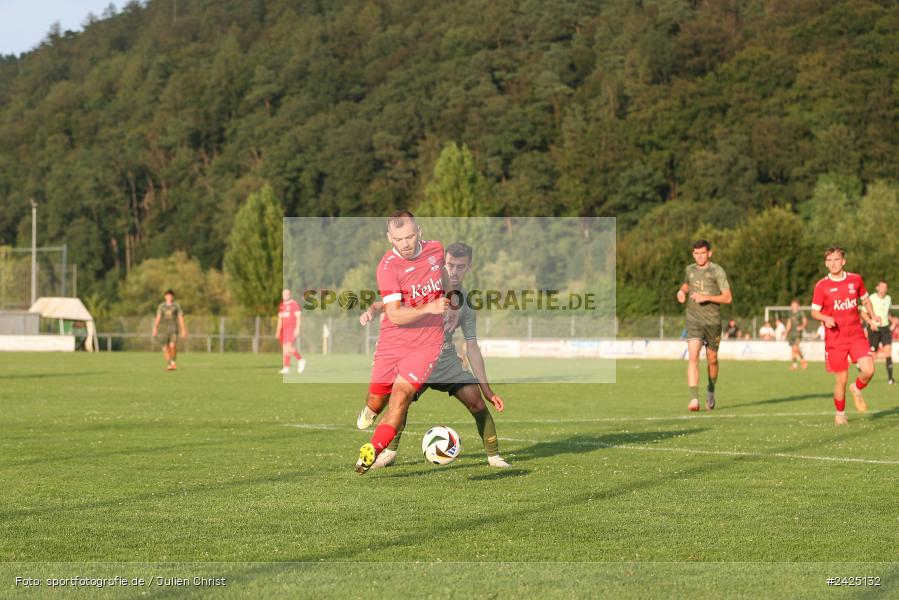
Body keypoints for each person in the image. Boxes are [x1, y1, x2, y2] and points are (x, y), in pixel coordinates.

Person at [358, 242, 510, 468]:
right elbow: (391, 303)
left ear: (469, 267)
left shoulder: (466, 304)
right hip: (416, 356)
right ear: (442, 262)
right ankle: (388, 452)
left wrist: (487, 389)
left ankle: (494, 456)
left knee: (476, 401)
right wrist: (372, 309)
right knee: (400, 400)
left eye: (460, 266)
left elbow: (473, 347)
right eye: (449, 265)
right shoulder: (426, 282)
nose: (454, 271)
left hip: (446, 361)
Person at [355, 211, 448, 474]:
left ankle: (372, 451)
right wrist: (430, 307)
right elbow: (395, 314)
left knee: (401, 395)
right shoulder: (387, 267)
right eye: (398, 239)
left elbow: (444, 277)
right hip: (393, 342)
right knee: (377, 399)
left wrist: (451, 299)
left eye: (409, 236)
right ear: (389, 238)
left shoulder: (436, 250)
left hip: (427, 343)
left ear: (419, 230)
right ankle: (371, 411)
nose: (405, 243)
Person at [809, 246, 880, 426]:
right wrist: (825, 317)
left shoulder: (855, 280)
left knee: (869, 370)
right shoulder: (821, 286)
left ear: (843, 261)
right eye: (830, 260)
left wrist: (872, 315)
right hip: (835, 339)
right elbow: (814, 312)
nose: (833, 263)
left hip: (856, 334)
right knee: (841, 380)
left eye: (836, 259)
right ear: (826, 264)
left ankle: (856, 388)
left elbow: (864, 299)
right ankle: (840, 414)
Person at [676, 240, 732, 411]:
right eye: (696, 253)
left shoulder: (717, 271)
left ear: (709, 253)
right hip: (693, 320)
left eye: (702, 253)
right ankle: (694, 399)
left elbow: (728, 298)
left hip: (713, 322)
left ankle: (711, 389)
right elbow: (687, 284)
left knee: (712, 360)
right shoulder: (689, 270)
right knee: (692, 356)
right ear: (693, 254)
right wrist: (682, 291)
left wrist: (706, 297)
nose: (699, 256)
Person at [860, 280, 893, 384]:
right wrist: (871, 323)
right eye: (882, 287)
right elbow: (863, 313)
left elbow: (888, 313)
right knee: (873, 354)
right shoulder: (871, 298)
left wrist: (892, 319)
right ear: (877, 288)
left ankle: (890, 379)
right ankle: (864, 370)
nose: (883, 289)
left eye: (885, 287)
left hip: (885, 328)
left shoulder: (888, 299)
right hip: (874, 329)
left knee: (888, 351)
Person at [151, 289, 187, 371]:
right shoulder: (161, 306)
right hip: (163, 330)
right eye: (167, 296)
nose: (169, 297)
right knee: (165, 347)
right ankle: (170, 364)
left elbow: (181, 318)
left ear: (173, 297)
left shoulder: (176, 306)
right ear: (165, 297)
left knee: (172, 345)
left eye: (171, 296)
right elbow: (158, 317)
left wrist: (183, 330)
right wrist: (155, 328)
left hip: (173, 329)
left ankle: (173, 361)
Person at [276, 289, 305, 374]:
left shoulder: (294, 304)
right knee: (285, 349)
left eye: (286, 294)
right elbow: (280, 320)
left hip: (292, 329)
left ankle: (301, 360)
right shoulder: (281, 305)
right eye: (283, 294)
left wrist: (297, 328)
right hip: (284, 330)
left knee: (288, 347)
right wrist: (278, 331)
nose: (284, 295)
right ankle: (286, 367)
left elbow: (298, 318)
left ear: (290, 294)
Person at [785, 299, 808, 370]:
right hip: (791, 333)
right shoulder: (790, 313)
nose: (793, 306)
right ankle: (795, 364)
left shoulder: (801, 313)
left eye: (795, 305)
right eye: (792, 305)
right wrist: (786, 331)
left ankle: (802, 359)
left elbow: (805, 321)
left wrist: (802, 327)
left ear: (798, 306)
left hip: (798, 333)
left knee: (796, 348)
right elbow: (789, 323)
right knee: (793, 349)